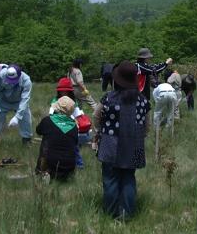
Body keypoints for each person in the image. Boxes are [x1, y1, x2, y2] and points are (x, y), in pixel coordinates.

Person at [93, 61, 150, 220]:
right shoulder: (142, 100)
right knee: (129, 178)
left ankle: (110, 213)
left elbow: (96, 117)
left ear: (116, 80)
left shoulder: (108, 98)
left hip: (110, 143)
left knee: (110, 179)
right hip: (134, 144)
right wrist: (141, 136)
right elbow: (147, 124)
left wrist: (99, 131)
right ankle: (126, 214)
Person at [50, 77, 92, 168]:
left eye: (66, 91)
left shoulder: (74, 101)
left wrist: (82, 119)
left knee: (74, 149)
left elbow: (77, 115)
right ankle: (60, 165)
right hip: (59, 127)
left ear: (69, 91)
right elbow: (51, 114)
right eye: (62, 91)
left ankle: (79, 165)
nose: (63, 93)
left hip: (71, 128)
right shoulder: (55, 100)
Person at [0, 64, 33, 144]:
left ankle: (27, 140)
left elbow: (25, 99)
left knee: (26, 120)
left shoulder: (26, 80)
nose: (11, 83)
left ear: (19, 75)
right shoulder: (2, 74)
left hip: (19, 102)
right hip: (4, 101)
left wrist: (17, 117)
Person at [36, 95, 79, 181]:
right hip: (69, 167)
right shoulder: (74, 126)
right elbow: (75, 142)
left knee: (45, 142)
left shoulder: (47, 120)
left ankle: (42, 172)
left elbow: (38, 131)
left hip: (50, 165)